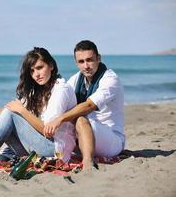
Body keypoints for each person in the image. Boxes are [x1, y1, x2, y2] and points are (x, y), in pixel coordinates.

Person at [43, 40, 125, 172]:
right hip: (84, 134)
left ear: (98, 58)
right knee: (62, 119)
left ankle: (87, 163)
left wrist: (60, 119)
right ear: (76, 63)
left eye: (90, 60)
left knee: (78, 119)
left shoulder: (110, 79)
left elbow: (89, 105)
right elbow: (62, 98)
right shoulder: (76, 79)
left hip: (112, 140)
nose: (86, 66)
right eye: (81, 62)